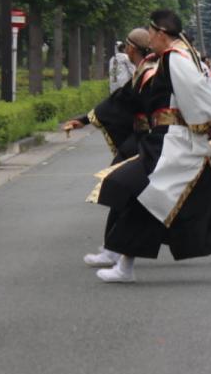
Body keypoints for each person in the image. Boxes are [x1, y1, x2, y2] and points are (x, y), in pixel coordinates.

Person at [89, 10, 211, 283]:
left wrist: (209, 125)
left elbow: (199, 94)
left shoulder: (175, 58)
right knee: (177, 202)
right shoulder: (181, 56)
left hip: (172, 144)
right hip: (172, 142)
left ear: (160, 33)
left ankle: (124, 266)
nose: (149, 38)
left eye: (150, 32)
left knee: (138, 188)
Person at [64, 27, 155, 268]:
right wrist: (84, 119)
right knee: (124, 190)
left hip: (151, 142)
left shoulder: (149, 72)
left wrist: (85, 119)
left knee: (126, 188)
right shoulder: (145, 71)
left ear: (131, 48)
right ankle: (114, 250)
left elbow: (120, 103)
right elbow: (119, 101)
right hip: (145, 140)